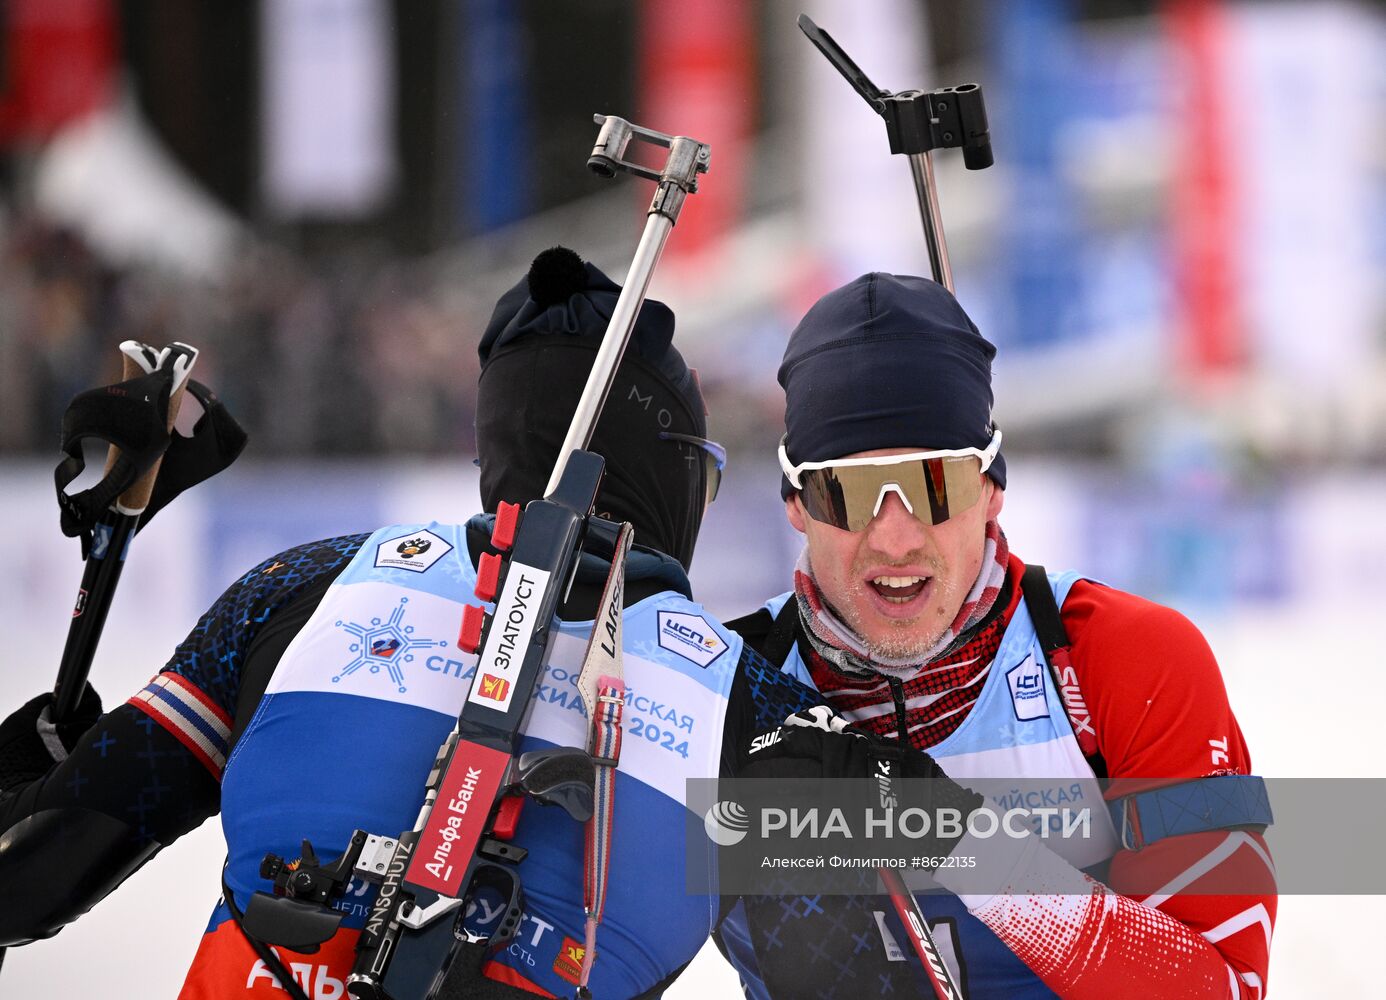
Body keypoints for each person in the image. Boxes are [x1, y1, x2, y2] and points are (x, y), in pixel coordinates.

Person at [0, 247, 821, 1000]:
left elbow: (31, 875)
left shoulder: (300, 588)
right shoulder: (748, 709)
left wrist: (19, 784)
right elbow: (931, 918)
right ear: (666, 471)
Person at [714, 273, 1277, 999]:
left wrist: (964, 841)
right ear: (796, 504)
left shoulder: (1125, 660)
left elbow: (1219, 986)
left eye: (934, 484)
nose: (895, 536)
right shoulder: (725, 691)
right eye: (848, 492)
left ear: (991, 488)